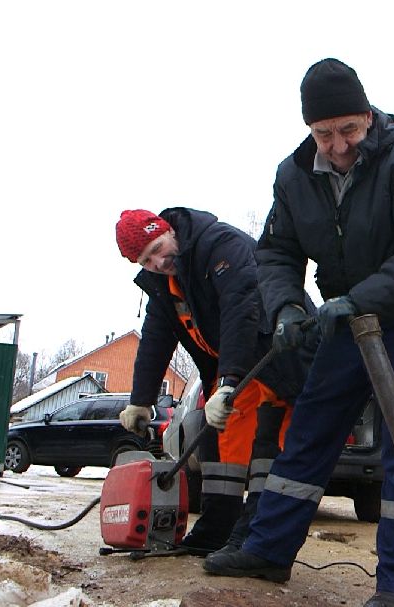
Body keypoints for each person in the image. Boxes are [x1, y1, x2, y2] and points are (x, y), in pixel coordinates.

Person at [202, 58, 394, 607]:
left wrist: (359, 300)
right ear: (309, 131)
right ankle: (268, 550)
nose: (338, 145)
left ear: (368, 117)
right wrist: (288, 308)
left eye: (348, 129)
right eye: (324, 133)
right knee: (312, 427)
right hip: (340, 319)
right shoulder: (293, 177)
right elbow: (275, 252)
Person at [114, 207, 311, 556]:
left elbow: (241, 308)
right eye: (145, 261)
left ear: (167, 231)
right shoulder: (165, 282)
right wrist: (140, 399)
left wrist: (229, 380)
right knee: (220, 444)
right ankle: (217, 531)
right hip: (241, 370)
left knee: (275, 453)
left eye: (157, 248)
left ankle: (255, 540)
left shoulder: (220, 246)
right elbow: (156, 338)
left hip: (283, 357)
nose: (157, 263)